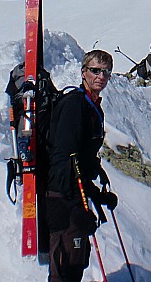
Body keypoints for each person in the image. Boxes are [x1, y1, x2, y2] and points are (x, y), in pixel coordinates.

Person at [45, 49, 118, 282]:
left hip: (73, 193)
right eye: (95, 70)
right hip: (62, 196)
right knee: (65, 265)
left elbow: (82, 158)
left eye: (106, 72)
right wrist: (76, 206)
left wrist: (95, 193)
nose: (101, 76)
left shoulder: (92, 106)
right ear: (83, 72)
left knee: (75, 263)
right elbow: (64, 157)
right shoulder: (75, 105)